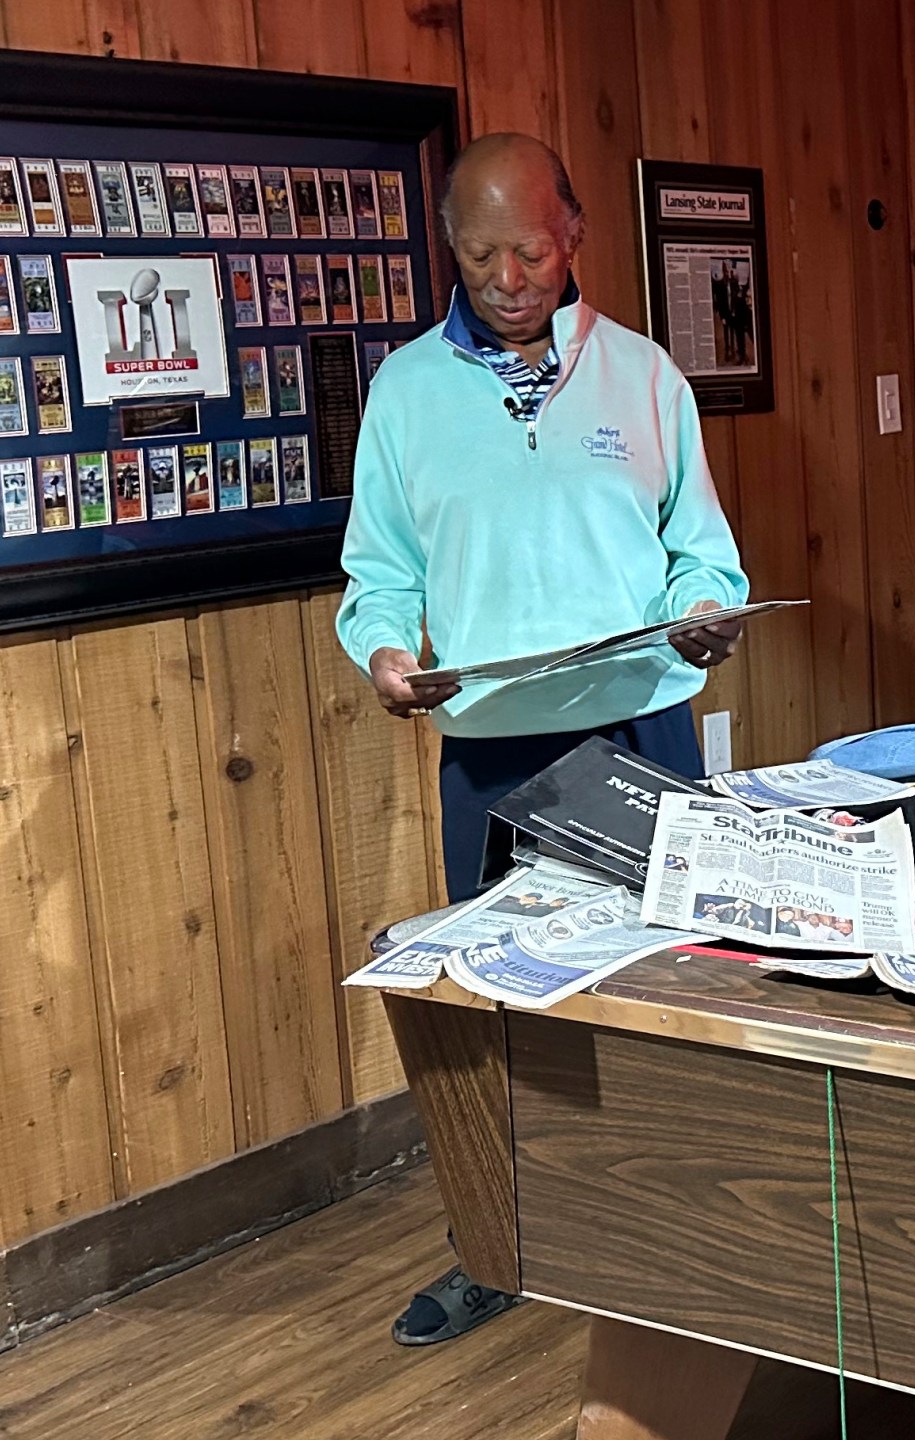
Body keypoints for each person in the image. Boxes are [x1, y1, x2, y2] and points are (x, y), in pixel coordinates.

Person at [336, 132, 749, 1347]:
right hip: (493, 749)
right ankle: (502, 1247)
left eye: (529, 249)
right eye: (479, 258)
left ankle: (694, 1239)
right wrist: (388, 655)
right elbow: (378, 574)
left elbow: (700, 548)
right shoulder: (406, 393)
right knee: (499, 1013)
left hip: (642, 724)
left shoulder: (642, 376)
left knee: (672, 985)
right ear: (450, 253)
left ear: (573, 234)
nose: (508, 277)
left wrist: (707, 612)